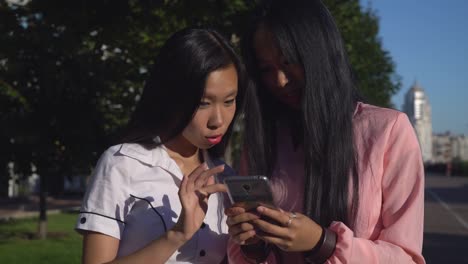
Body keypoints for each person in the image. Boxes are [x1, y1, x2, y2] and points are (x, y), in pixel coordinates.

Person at [226, 0, 425, 263]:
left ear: (319, 54)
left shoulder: (388, 131)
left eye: (289, 62)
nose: (280, 80)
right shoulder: (264, 139)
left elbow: (407, 258)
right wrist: (251, 245)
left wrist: (324, 244)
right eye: (266, 69)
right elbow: (242, 255)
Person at [75, 27, 250, 263]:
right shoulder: (122, 164)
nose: (218, 120)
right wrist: (177, 235)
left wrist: (252, 245)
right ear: (172, 96)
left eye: (229, 101)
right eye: (203, 103)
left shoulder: (225, 178)